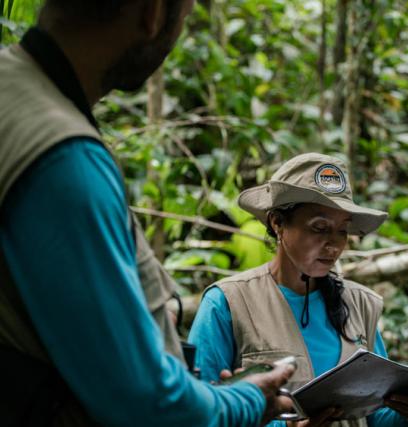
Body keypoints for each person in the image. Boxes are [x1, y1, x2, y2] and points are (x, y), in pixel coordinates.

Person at [0, 0, 294, 425]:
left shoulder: (14, 89)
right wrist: (249, 400)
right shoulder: (63, 158)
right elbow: (150, 405)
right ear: (153, 13)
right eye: (186, 15)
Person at [189, 153, 408, 427]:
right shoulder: (228, 304)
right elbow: (199, 413)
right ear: (277, 223)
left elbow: (376, 417)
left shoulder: (358, 305)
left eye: (342, 230)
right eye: (320, 227)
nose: (334, 244)